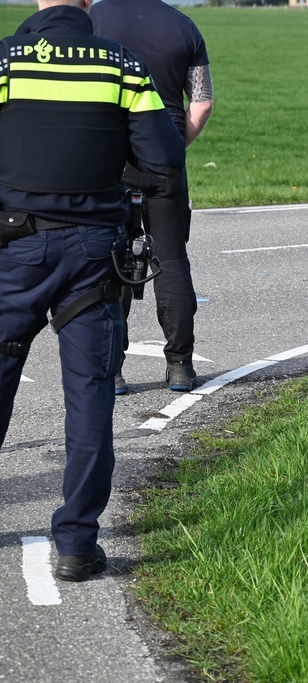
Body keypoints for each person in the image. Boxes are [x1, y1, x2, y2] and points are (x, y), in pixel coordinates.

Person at [0, 0, 185, 580]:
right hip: (92, 256)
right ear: (88, 4)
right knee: (90, 396)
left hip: (11, 252)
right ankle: (77, 543)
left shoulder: (5, 61)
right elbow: (164, 160)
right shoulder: (123, 66)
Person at [91, 0, 214, 393]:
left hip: (112, 159)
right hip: (166, 161)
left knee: (112, 260)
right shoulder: (184, 26)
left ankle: (113, 370)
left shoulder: (96, 16)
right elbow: (203, 100)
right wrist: (175, 147)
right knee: (172, 260)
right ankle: (180, 366)